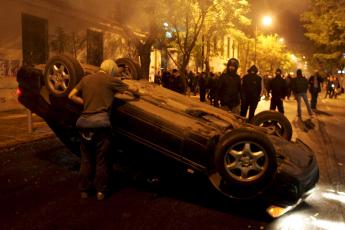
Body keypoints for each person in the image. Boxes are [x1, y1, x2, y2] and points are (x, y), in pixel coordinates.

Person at [68, 59, 138, 200]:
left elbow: (71, 95)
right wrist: (136, 90)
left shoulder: (86, 79)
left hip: (84, 125)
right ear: (111, 70)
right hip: (101, 125)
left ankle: (84, 190)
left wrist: (86, 103)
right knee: (102, 160)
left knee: (86, 159)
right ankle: (101, 191)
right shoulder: (111, 80)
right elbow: (133, 90)